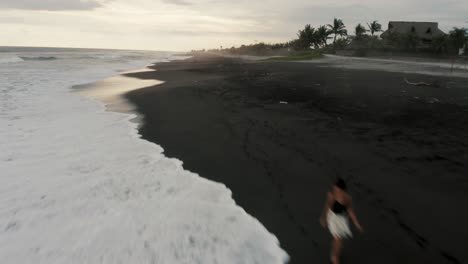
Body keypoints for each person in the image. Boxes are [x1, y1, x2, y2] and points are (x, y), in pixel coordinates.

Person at [320, 178, 363, 264]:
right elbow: (327, 206)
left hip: (342, 219)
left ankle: (335, 253)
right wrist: (324, 218)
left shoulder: (348, 198)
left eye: (337, 188)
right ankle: (334, 256)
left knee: (339, 240)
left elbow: (350, 211)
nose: (335, 189)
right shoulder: (331, 195)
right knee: (338, 238)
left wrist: (357, 223)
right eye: (335, 187)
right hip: (332, 218)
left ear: (342, 189)